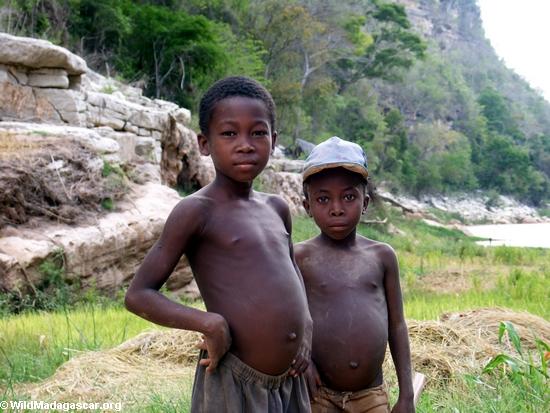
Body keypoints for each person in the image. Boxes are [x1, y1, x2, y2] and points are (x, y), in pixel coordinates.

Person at [125, 76, 312, 413]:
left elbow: (293, 273)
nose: (245, 144)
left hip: (290, 381)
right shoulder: (197, 211)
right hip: (235, 380)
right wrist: (208, 323)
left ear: (274, 140)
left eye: (258, 133)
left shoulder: (276, 208)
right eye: (229, 133)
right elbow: (138, 295)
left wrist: (307, 329)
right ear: (204, 143)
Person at [295, 137, 414, 413]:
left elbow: (397, 326)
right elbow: (284, 319)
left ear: (366, 202)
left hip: (370, 396)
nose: (336, 208)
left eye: (349, 197)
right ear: (307, 206)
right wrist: (300, 362)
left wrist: (406, 395)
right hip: (316, 395)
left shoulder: (382, 256)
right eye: (323, 199)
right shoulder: (299, 257)